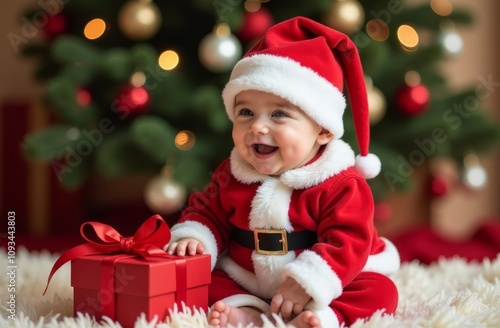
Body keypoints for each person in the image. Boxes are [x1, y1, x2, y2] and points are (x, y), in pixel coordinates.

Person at [164, 16, 400, 328]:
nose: (258, 126)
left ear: (324, 131)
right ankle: (248, 312)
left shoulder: (340, 183)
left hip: (320, 282)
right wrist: (195, 236)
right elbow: (208, 210)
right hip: (248, 275)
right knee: (201, 282)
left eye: (279, 114)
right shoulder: (233, 172)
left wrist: (309, 281)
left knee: (380, 292)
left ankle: (323, 317)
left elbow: (349, 240)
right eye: (246, 112)